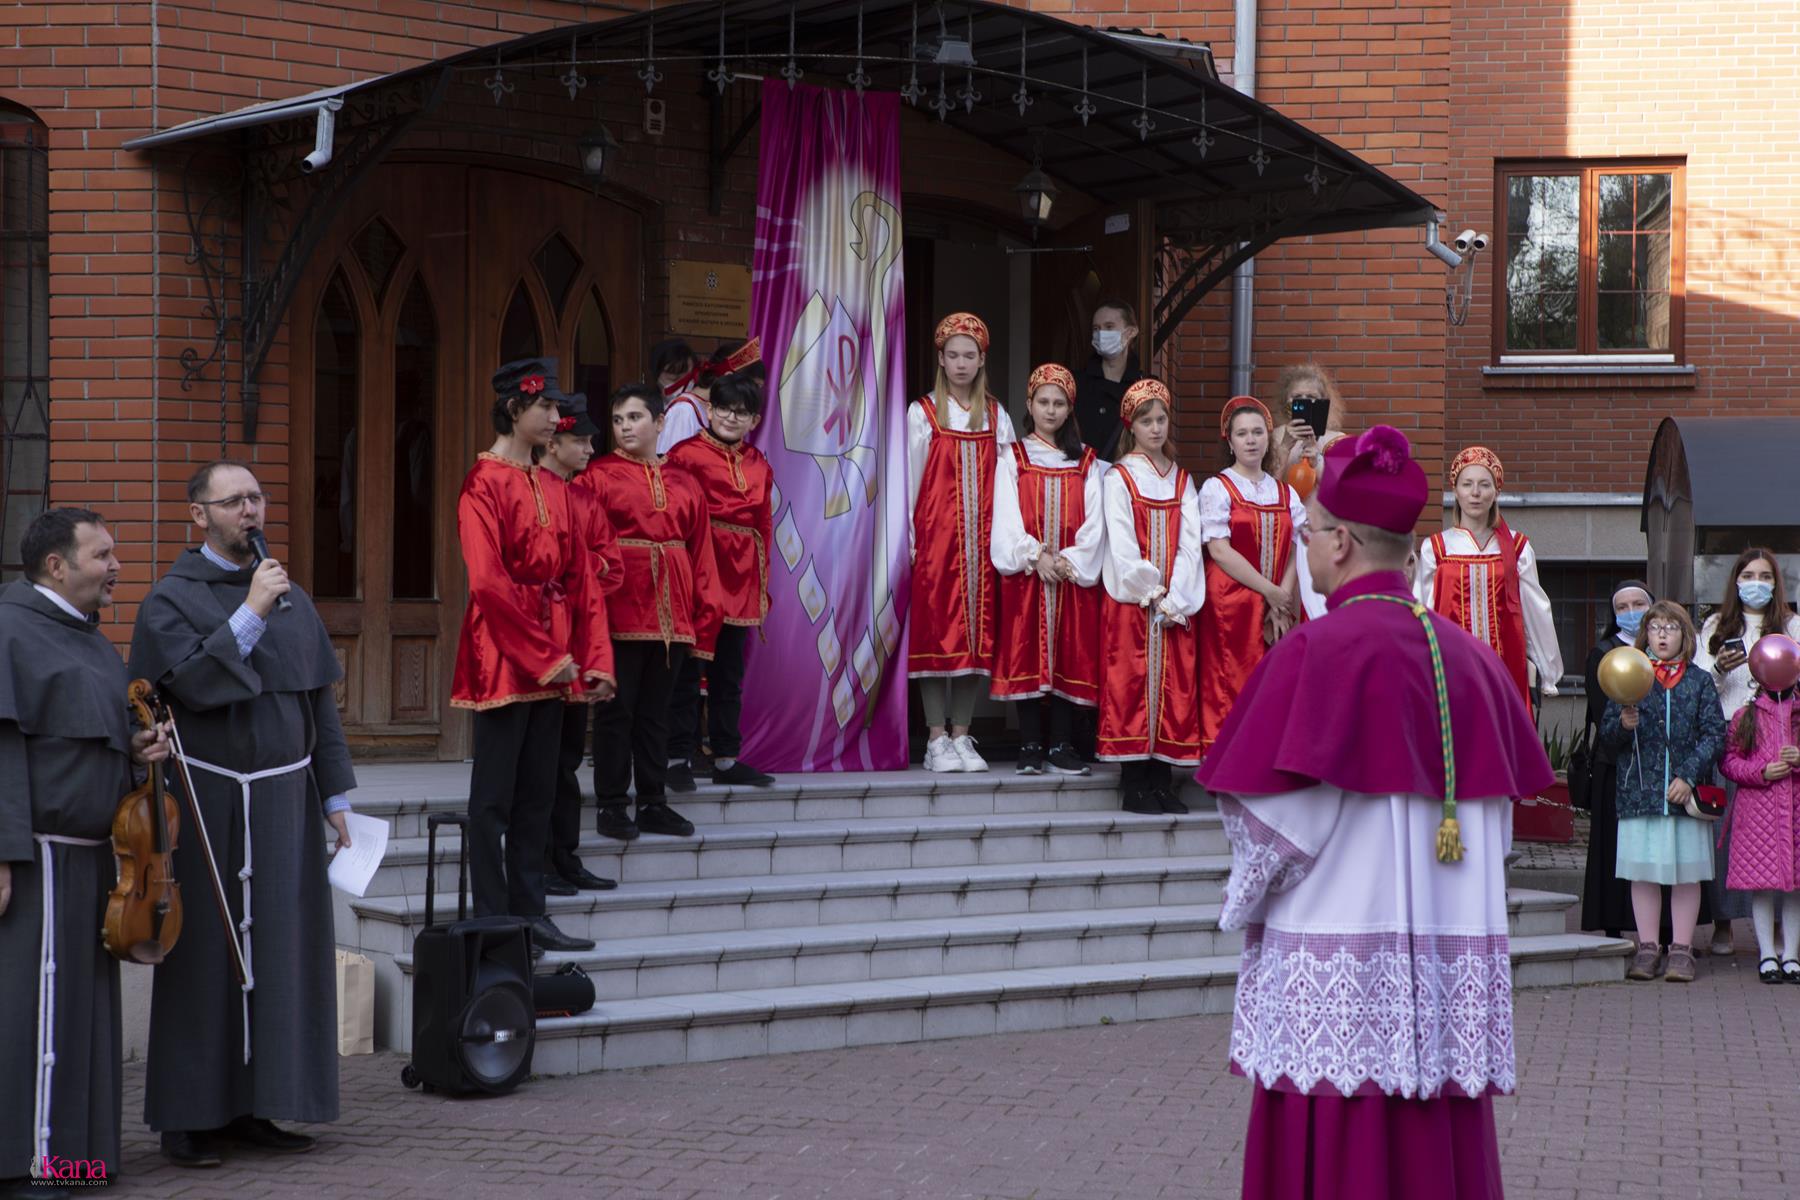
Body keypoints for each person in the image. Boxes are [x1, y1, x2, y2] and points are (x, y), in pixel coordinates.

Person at [1200, 425, 1552, 1200]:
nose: (1306, 542)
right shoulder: (1475, 661)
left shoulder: (1315, 653)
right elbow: (1492, 840)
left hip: (1339, 955)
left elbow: (1273, 832)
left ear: (1345, 543)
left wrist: (1241, 898)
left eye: (1312, 528)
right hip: (1445, 951)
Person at [130, 461, 358, 1166]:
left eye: (255, 499)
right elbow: (189, 684)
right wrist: (251, 610)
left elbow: (317, 702)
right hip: (210, 799)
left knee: (285, 954)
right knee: (204, 958)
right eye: (232, 502)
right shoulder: (170, 599)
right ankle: (191, 1116)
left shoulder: (293, 598)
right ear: (198, 515)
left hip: (286, 799)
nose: (249, 512)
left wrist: (337, 796)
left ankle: (263, 1104)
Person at [0, 510, 170, 1192]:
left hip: (92, 860)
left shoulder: (95, 643)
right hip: (35, 860)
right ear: (56, 566)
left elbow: (87, 744)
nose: (116, 566)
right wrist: (3, 853)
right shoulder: (9, 630)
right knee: (30, 1013)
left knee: (78, 1020)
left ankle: (77, 1158)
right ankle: (27, 1163)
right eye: (103, 554)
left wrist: (134, 755)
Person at [451, 360, 611, 955]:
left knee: (539, 793)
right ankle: (496, 919)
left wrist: (593, 659)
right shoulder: (482, 482)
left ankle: (531, 911)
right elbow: (488, 583)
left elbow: (582, 581)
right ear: (516, 410)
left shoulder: (554, 487)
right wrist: (544, 654)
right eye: (546, 409)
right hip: (502, 652)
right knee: (493, 798)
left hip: (554, 649)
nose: (555, 419)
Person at [581, 383, 721, 841]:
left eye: (635, 418)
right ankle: (611, 804)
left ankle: (654, 801)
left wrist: (704, 618)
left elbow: (701, 553)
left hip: (673, 614)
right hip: (621, 608)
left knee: (656, 714)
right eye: (619, 420)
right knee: (616, 712)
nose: (625, 427)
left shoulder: (685, 481)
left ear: (660, 422)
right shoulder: (597, 476)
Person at [665, 341, 778, 790]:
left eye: (742, 412)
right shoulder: (685, 456)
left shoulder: (759, 464)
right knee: (688, 672)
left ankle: (727, 757)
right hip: (701, 572)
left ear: (754, 420)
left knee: (730, 672)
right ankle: (676, 758)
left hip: (742, 574)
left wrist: (762, 583)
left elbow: (764, 525)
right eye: (724, 408)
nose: (731, 417)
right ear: (709, 410)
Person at [909, 312, 1017, 773]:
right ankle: (935, 738)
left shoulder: (996, 414)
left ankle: (962, 734)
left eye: (968, 355)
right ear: (940, 358)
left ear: (981, 359)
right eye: (952, 355)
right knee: (936, 635)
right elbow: (908, 479)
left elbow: (1011, 482)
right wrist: (909, 538)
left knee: (976, 634)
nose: (960, 363)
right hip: (936, 540)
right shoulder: (922, 412)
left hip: (983, 542)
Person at [1600, 601, 1727, 984]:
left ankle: (1683, 950)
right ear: (1645, 635)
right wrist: (1623, 723)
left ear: (1684, 636)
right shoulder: (1629, 676)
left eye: (1671, 627)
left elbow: (1715, 735)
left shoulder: (1699, 681)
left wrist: (1688, 775)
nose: (1662, 634)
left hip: (1684, 798)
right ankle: (1648, 947)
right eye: (1655, 627)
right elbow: (1608, 739)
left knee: (1686, 874)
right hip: (1640, 793)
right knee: (1644, 874)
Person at [988, 364, 1107, 775]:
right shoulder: (1013, 456)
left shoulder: (1087, 461)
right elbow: (1004, 515)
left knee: (1068, 656)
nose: (1051, 411)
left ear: (1069, 409)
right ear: (1029, 405)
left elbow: (1096, 522)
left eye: (1059, 404)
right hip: (1028, 575)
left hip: (1069, 578)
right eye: (1043, 402)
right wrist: (1034, 555)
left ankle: (1060, 744)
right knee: (1026, 653)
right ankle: (1030, 745)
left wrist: (1068, 561)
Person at [1098, 378, 1204, 813]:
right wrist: (1149, 588)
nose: (1156, 428)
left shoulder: (1182, 480)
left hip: (1172, 606)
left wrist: (1176, 596)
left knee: (1172, 688)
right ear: (1132, 426)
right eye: (1147, 421)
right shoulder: (1119, 476)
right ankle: (1134, 782)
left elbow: (1190, 543)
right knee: (1131, 684)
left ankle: (1162, 780)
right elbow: (1120, 540)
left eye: (1161, 419)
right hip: (1132, 600)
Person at [1693, 546, 1799, 957]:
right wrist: (1719, 667)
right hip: (1732, 732)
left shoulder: (1792, 626)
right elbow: (1700, 687)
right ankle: (1723, 923)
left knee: (1778, 835)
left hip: (1781, 734)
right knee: (1728, 834)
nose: (1757, 584)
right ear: (1735, 581)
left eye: (1765, 576)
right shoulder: (1717, 625)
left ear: (1776, 583)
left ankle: (1776, 930)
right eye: (1749, 576)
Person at [538, 386, 622, 896]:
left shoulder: (586, 498)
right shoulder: (529, 489)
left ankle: (564, 856)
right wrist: (574, 573)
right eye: (584, 441)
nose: (592, 451)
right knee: (540, 763)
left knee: (568, 758)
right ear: (555, 442)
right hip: (542, 641)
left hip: (579, 637)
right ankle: (538, 861)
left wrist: (575, 573)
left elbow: (611, 569)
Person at [1197, 396, 1306, 756]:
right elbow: (1219, 550)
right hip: (1231, 601)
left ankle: (1266, 760)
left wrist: (1283, 598)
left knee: (1275, 681)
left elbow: (1295, 547)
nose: (1250, 440)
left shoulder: (1285, 491)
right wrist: (1270, 592)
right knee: (1231, 679)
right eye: (1241, 433)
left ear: (1268, 438)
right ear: (1228, 441)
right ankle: (1228, 761)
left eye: (1258, 432)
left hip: (1279, 599)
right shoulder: (1217, 488)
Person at [1417, 446, 1563, 708]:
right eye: (1467, 484)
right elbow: (1421, 609)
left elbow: (1535, 608)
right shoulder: (1437, 548)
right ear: (1455, 490)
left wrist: (1547, 670)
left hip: (1505, 667)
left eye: (1484, 484)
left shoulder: (1517, 547)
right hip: (1450, 666)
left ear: (1496, 491)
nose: (1475, 493)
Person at [1578, 581, 1656, 939]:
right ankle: (1614, 925)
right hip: (1616, 764)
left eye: (1638, 603)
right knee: (1614, 846)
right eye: (1622, 606)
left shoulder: (1664, 652)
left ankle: (1662, 931)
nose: (1631, 612)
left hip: (1657, 763)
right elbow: (1600, 711)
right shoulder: (1603, 653)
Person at [1720, 678, 1800, 983]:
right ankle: (1767, 953)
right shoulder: (1746, 716)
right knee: (1762, 884)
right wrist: (1761, 771)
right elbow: (1728, 762)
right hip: (1759, 815)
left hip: (1795, 811)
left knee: (1796, 887)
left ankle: (1791, 954)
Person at [1270, 363, 1349, 621]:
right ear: (1287, 402)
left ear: (1323, 402)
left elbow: (1344, 493)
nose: (1305, 403)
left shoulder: (1338, 440)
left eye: (1312, 398)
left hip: (1322, 534)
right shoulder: (1272, 437)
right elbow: (1264, 487)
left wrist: (1319, 461)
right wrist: (1283, 449)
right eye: (1298, 398)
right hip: (1284, 536)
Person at [1071, 299, 1143, 461]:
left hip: (1125, 481)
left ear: (1131, 332)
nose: (1101, 333)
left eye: (1109, 327)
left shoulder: (1143, 389)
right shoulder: (1075, 384)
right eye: (1096, 329)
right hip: (1082, 480)